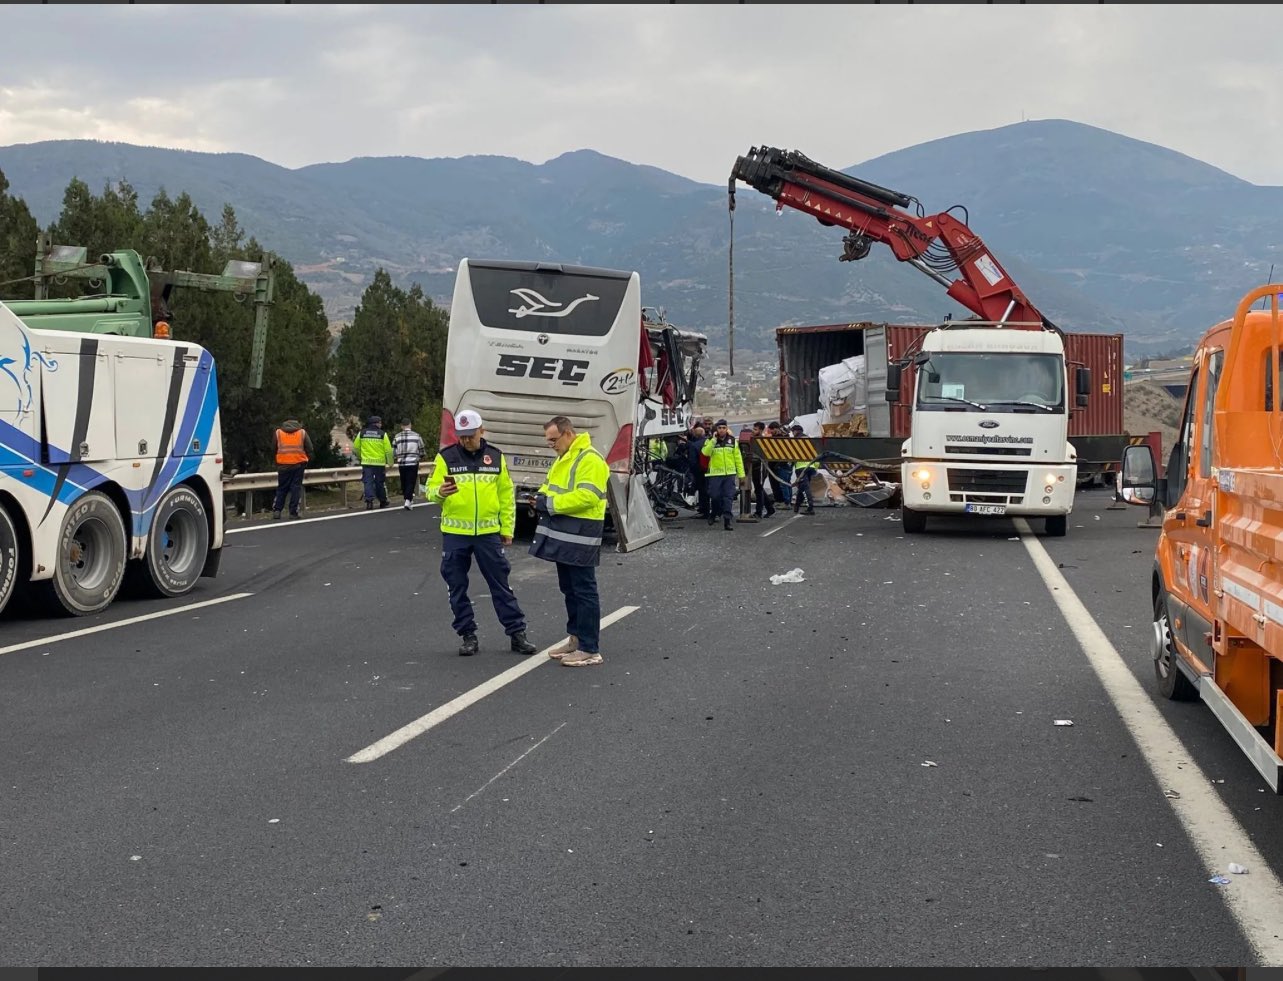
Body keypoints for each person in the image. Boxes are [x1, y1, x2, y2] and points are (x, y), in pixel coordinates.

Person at [426, 410, 537, 657]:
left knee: (501, 584)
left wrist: (507, 529)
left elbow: (506, 496)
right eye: (461, 436)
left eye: (470, 436)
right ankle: (468, 635)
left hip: (488, 533)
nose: (466, 441)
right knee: (456, 586)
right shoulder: (446, 457)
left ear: (482, 431)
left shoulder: (495, 457)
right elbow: (430, 490)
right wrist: (440, 492)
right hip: (455, 533)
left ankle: (517, 634)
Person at [531, 415, 608, 667]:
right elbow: (548, 485)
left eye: (554, 439)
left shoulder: (590, 459)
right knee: (570, 588)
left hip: (582, 533)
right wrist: (540, 498)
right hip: (564, 533)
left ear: (568, 433)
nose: (551, 444)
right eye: (548, 441)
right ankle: (575, 638)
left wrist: (550, 504)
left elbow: (589, 496)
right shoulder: (563, 458)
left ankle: (589, 648)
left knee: (584, 590)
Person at [701, 419, 746, 530]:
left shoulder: (732, 441)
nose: (722, 430)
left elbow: (738, 458)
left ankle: (727, 520)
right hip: (715, 475)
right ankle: (714, 512)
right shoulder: (710, 441)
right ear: (716, 429)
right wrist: (713, 441)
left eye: (724, 428)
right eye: (719, 428)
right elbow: (705, 453)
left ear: (727, 429)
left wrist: (741, 475)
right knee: (715, 496)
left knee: (728, 497)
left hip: (729, 474)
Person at [271, 418, 313, 520]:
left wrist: (277, 460)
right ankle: (293, 512)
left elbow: (273, 448)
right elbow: (310, 448)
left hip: (282, 465)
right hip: (298, 464)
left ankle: (277, 510)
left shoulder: (278, 433)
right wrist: (307, 458)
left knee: (282, 488)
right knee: (295, 488)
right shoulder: (302, 433)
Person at [353, 415, 394, 510]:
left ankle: (369, 502)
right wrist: (390, 463)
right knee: (379, 483)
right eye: (380, 423)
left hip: (366, 463)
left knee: (368, 482)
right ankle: (383, 501)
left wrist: (361, 457)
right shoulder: (382, 434)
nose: (381, 424)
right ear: (377, 424)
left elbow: (355, 448)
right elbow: (388, 450)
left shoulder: (362, 433)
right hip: (379, 464)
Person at [393, 418, 426, 510]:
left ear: (401, 426)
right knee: (411, 481)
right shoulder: (416, 436)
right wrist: (420, 457)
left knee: (404, 481)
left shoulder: (397, 436)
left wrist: (397, 458)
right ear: (410, 425)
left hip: (402, 463)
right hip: (413, 462)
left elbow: (394, 452)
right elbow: (422, 449)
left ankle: (407, 498)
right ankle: (408, 500)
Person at [748, 421, 776, 519]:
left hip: (760, 466)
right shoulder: (753, 439)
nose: (753, 431)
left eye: (755, 429)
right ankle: (770, 508)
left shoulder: (762, 440)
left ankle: (758, 512)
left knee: (758, 489)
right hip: (755, 466)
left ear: (760, 430)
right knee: (759, 488)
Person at [764, 421, 793, 509]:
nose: (771, 432)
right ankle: (783, 501)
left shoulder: (781, 438)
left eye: (771, 430)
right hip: (778, 463)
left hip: (780, 464)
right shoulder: (781, 437)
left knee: (783, 483)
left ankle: (786, 502)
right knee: (784, 483)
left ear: (776, 428)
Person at [790, 423, 817, 515]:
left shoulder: (796, 441)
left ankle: (810, 508)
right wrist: (815, 467)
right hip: (811, 466)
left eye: (793, 432)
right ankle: (796, 507)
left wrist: (791, 464)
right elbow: (816, 453)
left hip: (801, 467)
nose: (792, 434)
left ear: (796, 431)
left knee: (805, 488)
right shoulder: (809, 439)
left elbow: (792, 455)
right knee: (802, 487)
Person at [686, 424, 710, 519]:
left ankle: (704, 510)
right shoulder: (709, 443)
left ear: (695, 435)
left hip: (700, 471)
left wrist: (694, 472)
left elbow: (692, 461)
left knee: (702, 491)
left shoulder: (694, 445)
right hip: (712, 469)